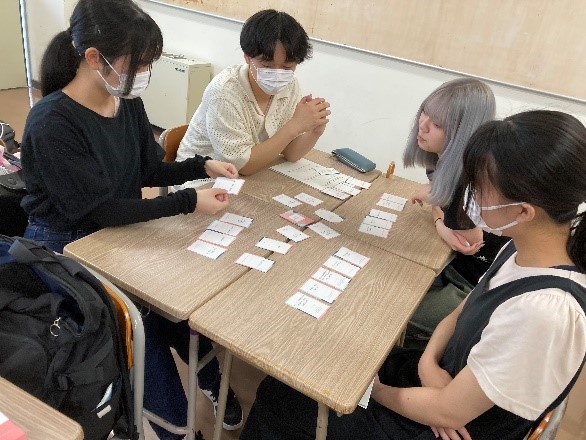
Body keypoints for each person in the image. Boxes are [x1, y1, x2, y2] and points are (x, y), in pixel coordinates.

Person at [240, 109, 586, 440]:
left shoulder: (544, 311)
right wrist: (428, 365)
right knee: (328, 360)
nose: (469, 194)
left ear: (524, 211)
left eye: (480, 187)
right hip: (441, 380)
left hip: (442, 426)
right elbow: (460, 313)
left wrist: (373, 391)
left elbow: (448, 414)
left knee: (280, 397)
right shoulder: (522, 248)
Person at [19, 0, 242, 438]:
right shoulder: (52, 123)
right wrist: (188, 202)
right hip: (67, 246)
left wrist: (201, 165)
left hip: (115, 233)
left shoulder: (125, 102)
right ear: (93, 58)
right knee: (141, 328)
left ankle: (213, 383)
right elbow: (100, 209)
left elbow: (147, 170)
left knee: (180, 310)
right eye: (138, 64)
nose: (144, 73)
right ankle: (174, 427)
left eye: (148, 63)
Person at [402, 78, 509, 348]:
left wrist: (439, 212)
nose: (423, 125)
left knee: (393, 311)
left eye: (438, 124)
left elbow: (469, 241)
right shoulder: (442, 161)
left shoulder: (473, 177)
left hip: (474, 285)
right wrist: (440, 219)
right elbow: (440, 206)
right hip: (452, 265)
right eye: (424, 112)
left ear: (463, 133)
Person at [174, 9, 331, 187]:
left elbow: (290, 153)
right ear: (247, 57)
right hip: (202, 178)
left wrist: (314, 130)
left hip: (250, 173)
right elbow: (243, 166)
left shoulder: (290, 86)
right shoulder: (224, 92)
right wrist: (295, 126)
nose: (278, 74)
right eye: (267, 66)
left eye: (287, 67)